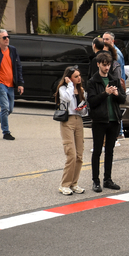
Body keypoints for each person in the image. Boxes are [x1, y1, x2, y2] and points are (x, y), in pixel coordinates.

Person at [86, 51, 126, 193]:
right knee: (97, 151)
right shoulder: (92, 81)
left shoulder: (114, 79)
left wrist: (116, 94)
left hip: (114, 120)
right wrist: (105, 93)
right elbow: (92, 101)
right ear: (98, 64)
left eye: (108, 65)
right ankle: (95, 181)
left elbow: (123, 99)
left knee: (110, 151)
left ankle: (107, 179)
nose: (106, 68)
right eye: (104, 65)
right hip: (99, 120)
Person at [0, 29, 24, 141]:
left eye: (8, 37)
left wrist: (20, 83)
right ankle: (6, 132)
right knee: (5, 108)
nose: (7, 39)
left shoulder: (13, 50)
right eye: (4, 37)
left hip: (11, 84)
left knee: (9, 109)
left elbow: (18, 67)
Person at [55, 65, 88, 196]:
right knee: (71, 154)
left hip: (78, 120)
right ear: (69, 78)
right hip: (67, 121)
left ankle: (74, 183)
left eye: (79, 76)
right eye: (76, 76)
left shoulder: (81, 90)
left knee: (79, 155)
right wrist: (69, 85)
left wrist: (83, 108)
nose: (79, 78)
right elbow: (67, 98)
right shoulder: (64, 89)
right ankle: (64, 184)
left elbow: (85, 110)